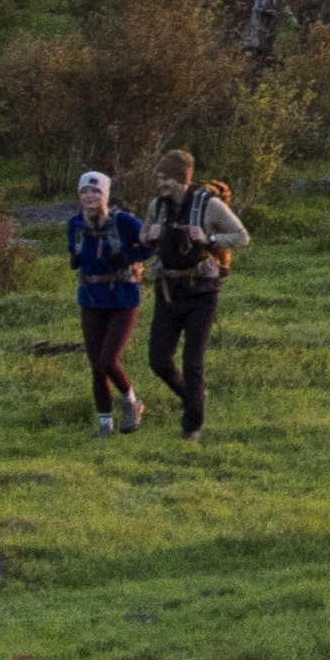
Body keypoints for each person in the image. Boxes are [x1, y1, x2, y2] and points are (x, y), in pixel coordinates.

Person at [136, 143, 247, 439]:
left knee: (192, 360)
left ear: (182, 179)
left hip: (201, 289)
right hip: (168, 288)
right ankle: (194, 399)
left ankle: (192, 429)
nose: (160, 184)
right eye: (158, 178)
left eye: (165, 179)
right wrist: (149, 234)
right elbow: (142, 236)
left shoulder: (208, 205)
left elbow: (241, 236)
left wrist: (209, 236)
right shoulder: (156, 206)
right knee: (158, 359)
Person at [62, 168, 148, 431]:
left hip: (122, 296)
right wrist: (76, 258)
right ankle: (105, 425)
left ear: (105, 195)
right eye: (84, 191)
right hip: (90, 298)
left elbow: (152, 242)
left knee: (107, 359)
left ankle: (131, 401)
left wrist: (131, 257)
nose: (89, 196)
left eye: (95, 191)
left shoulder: (123, 222)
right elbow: (73, 251)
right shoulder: (75, 224)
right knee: (95, 365)